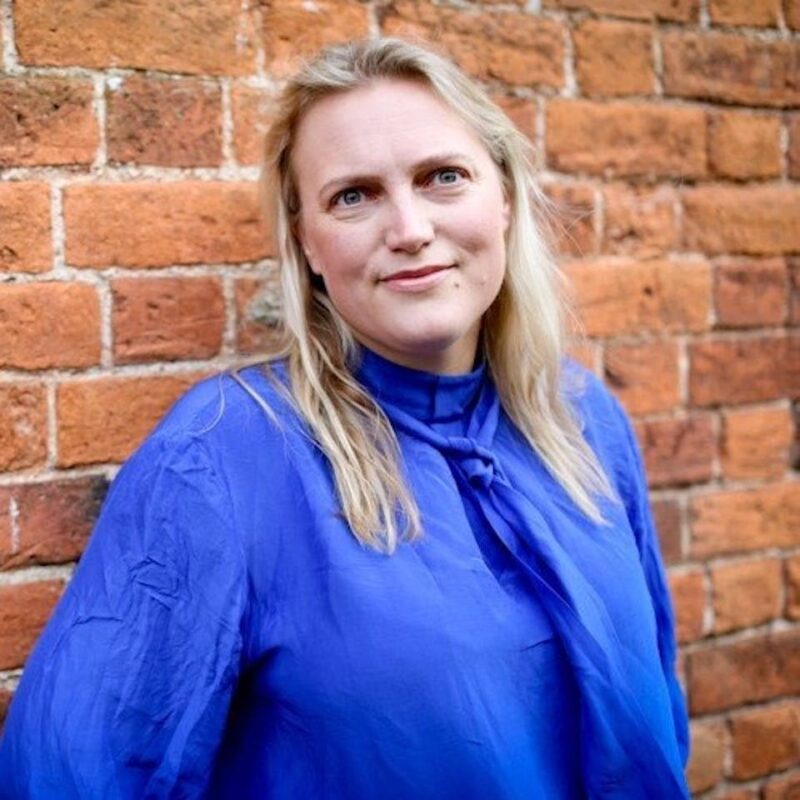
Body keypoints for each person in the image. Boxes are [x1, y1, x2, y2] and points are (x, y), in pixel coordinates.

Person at [0, 37, 689, 799]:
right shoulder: (225, 454)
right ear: (308, 243)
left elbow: (657, 694)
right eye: (353, 196)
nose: (410, 228)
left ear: (504, 197)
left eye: (443, 177)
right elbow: (70, 773)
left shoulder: (583, 420)